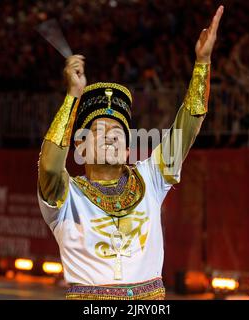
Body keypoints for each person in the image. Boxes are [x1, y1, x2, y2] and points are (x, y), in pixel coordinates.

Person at [37, 6, 224, 300]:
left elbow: (188, 125)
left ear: (127, 148)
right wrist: (73, 96)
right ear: (81, 147)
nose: (110, 138)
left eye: (117, 133)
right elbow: (49, 166)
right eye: (99, 132)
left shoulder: (150, 178)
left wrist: (202, 63)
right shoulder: (65, 196)